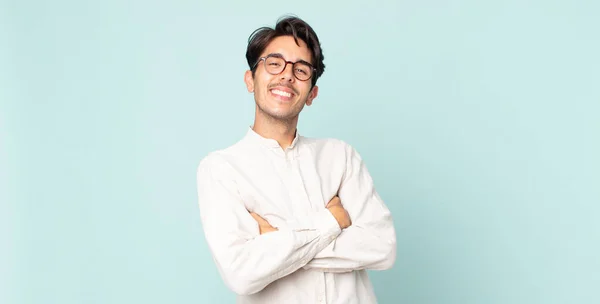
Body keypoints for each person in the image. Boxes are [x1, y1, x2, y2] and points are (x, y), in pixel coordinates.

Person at [196, 15, 397, 304]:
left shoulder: (341, 157)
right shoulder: (221, 169)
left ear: (312, 93)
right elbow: (240, 273)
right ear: (250, 79)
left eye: (301, 70)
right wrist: (331, 222)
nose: (287, 76)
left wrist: (276, 242)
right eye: (274, 63)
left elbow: (382, 246)